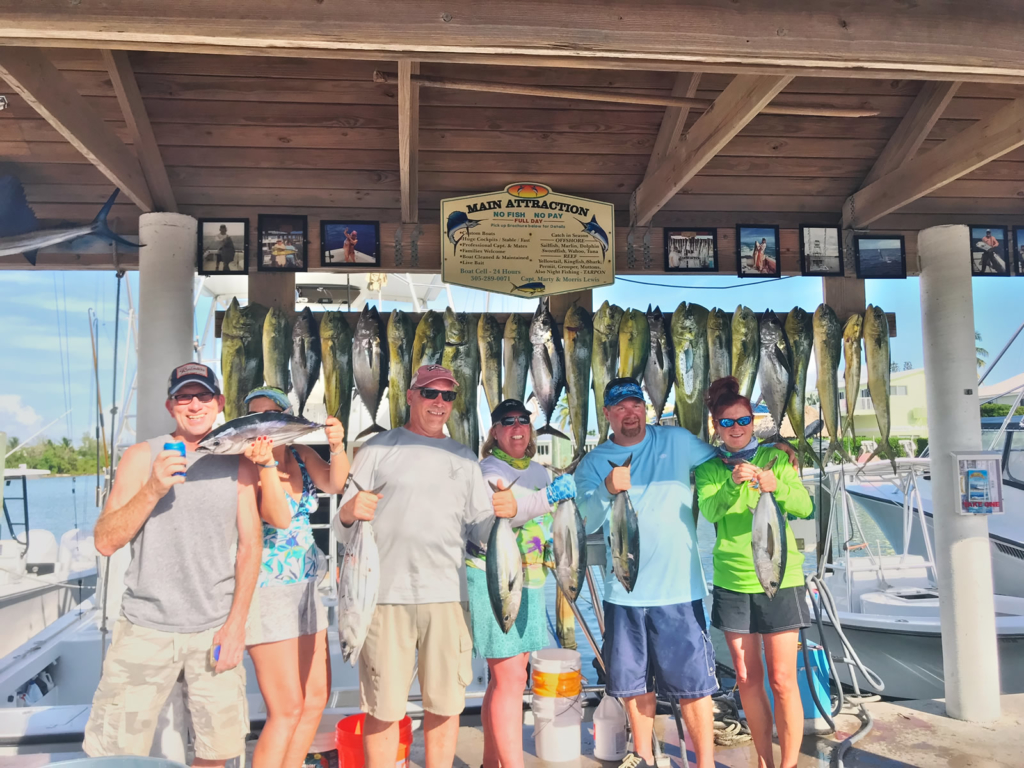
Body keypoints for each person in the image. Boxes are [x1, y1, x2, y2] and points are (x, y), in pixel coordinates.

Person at [332, 364, 517, 768]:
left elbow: (484, 532)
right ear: (411, 395)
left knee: (445, 704)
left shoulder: (465, 458)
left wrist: (505, 512)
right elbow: (342, 528)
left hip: (448, 598)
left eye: (447, 396)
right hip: (383, 597)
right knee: (383, 709)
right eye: (430, 393)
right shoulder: (378, 448)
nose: (439, 403)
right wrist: (349, 512)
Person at [83, 363, 261, 766]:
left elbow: (251, 547)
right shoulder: (141, 456)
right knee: (115, 754)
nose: (194, 405)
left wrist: (236, 626)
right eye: (184, 396)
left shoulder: (240, 462)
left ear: (219, 403)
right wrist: (153, 488)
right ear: (170, 405)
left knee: (219, 753)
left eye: (203, 396)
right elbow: (105, 541)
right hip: (145, 628)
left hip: (215, 630)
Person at [575, 377, 720, 768]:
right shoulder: (592, 462)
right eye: (619, 407)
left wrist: (777, 452)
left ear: (645, 407)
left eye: (635, 404)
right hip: (624, 593)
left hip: (677, 590)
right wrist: (607, 487)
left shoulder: (676, 441)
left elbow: (725, 458)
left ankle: (703, 763)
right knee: (634, 685)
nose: (629, 413)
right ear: (607, 414)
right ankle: (643, 758)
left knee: (693, 688)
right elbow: (585, 520)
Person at [694, 377, 813, 768]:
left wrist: (775, 486)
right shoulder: (710, 469)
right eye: (726, 423)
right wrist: (731, 485)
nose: (736, 429)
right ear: (715, 427)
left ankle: (789, 764)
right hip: (733, 581)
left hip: (781, 576)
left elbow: (805, 507)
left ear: (753, 420)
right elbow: (709, 513)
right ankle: (763, 760)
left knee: (782, 679)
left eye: (742, 420)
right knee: (747, 678)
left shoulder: (778, 458)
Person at [241, 387, 350, 768]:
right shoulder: (246, 465)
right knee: (285, 708)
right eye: (255, 417)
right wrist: (266, 465)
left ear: (287, 420)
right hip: (266, 591)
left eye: (272, 415)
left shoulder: (302, 455)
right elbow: (279, 516)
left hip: (308, 588)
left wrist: (336, 447)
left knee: (316, 698)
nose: (263, 425)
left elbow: (335, 484)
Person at [469, 399, 577, 768]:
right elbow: (510, 511)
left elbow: (542, 519)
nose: (517, 428)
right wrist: (547, 498)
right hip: (493, 577)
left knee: (505, 680)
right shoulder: (486, 471)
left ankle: (489, 762)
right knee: (512, 677)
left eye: (523, 421)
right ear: (495, 432)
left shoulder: (539, 472)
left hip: (530, 581)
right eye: (507, 422)